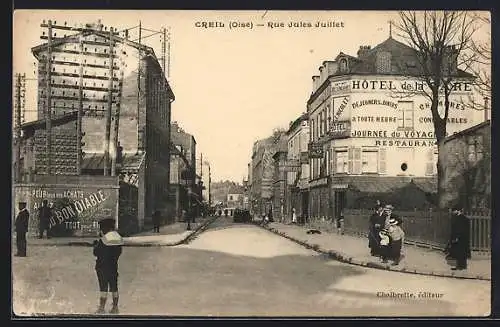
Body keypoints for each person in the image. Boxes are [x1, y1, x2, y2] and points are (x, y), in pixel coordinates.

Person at [93, 218, 123, 314]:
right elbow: (119, 252)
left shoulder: (103, 240)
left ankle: (101, 308)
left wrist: (96, 244)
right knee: (114, 287)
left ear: (104, 228)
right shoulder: (118, 240)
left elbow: (96, 252)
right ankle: (115, 307)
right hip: (113, 266)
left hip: (102, 267)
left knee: (103, 287)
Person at [449, 205, 470, 270]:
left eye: (454, 211)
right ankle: (461, 266)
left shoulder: (461, 218)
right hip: (461, 237)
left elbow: (461, 229)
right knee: (460, 252)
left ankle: (461, 266)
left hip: (461, 237)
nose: (453, 212)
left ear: (458, 211)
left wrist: (457, 237)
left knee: (460, 252)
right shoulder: (461, 218)